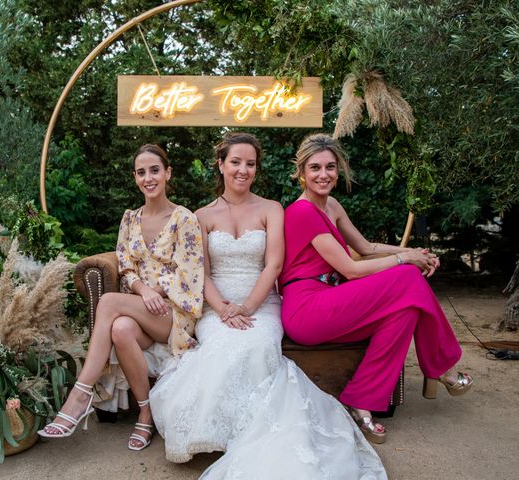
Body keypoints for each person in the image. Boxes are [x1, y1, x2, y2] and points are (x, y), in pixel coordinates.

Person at [150, 132, 386, 478]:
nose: (243, 170)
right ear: (221, 165)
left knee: (256, 344)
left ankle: (252, 434)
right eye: (235, 162)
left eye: (250, 164)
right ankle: (217, 431)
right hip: (217, 306)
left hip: (262, 304)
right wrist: (224, 309)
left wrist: (247, 307)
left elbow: (274, 265)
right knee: (220, 344)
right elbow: (200, 272)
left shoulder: (271, 209)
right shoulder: (201, 215)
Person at [280, 133, 473, 444]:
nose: (324, 174)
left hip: (333, 301)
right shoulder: (301, 211)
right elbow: (351, 268)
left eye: (330, 167)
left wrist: (414, 253)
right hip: (307, 308)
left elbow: (367, 248)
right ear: (301, 172)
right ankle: (442, 367)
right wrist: (404, 258)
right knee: (408, 277)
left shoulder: (332, 206)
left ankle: (362, 401)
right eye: (314, 168)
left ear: (339, 169)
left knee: (406, 310)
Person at [38, 144, 204, 451]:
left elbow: (191, 276)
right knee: (120, 329)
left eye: (155, 170)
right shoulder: (130, 219)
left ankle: (80, 394)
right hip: (141, 308)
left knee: (109, 302)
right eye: (141, 172)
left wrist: (158, 291)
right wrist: (143, 290)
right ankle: (145, 411)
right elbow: (125, 266)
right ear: (135, 177)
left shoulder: (184, 219)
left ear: (168, 173)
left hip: (174, 314)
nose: (148, 178)